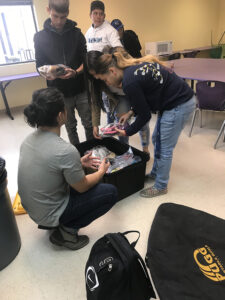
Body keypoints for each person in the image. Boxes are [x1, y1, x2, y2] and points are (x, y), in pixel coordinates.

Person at [86, 49, 195, 198]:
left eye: (104, 80)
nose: (107, 83)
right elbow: (144, 100)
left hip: (179, 103)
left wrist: (127, 131)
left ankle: (161, 185)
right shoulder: (130, 70)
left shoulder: (129, 82)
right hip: (171, 101)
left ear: (112, 71)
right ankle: (156, 173)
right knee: (157, 139)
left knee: (164, 147)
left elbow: (145, 115)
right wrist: (130, 113)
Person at [18, 88, 118, 250]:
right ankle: (67, 232)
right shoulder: (64, 150)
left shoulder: (28, 140)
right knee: (110, 192)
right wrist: (100, 172)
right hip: (49, 213)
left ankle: (57, 223)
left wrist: (77, 163)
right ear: (60, 115)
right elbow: (82, 185)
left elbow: (49, 167)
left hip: (34, 209)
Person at [34, 0, 93, 146]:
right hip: (59, 92)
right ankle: (78, 155)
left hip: (80, 88)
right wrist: (53, 71)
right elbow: (39, 66)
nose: (59, 21)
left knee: (88, 123)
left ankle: (94, 150)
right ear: (48, 10)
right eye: (55, 16)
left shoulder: (77, 34)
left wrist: (76, 72)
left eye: (63, 17)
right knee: (70, 126)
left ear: (67, 14)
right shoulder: (40, 38)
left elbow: (86, 61)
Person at [87, 47, 150, 154]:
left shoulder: (122, 63)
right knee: (121, 125)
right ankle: (124, 150)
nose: (96, 77)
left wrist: (134, 112)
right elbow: (96, 102)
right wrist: (95, 124)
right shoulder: (98, 80)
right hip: (120, 98)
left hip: (135, 90)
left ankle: (145, 148)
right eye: (93, 75)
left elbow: (144, 112)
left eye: (96, 74)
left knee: (143, 121)